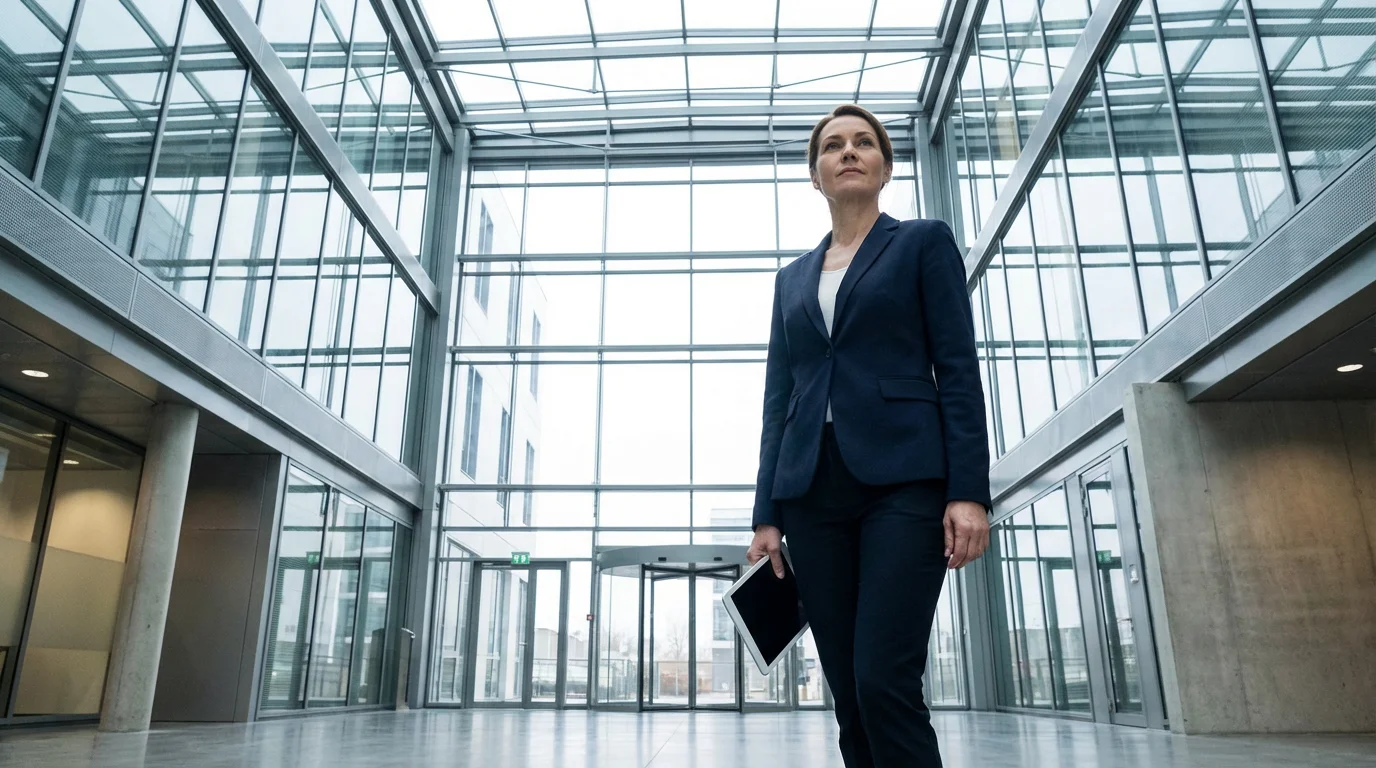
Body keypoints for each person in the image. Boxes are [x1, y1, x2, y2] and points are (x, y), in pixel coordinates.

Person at [746, 104, 991, 768]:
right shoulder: (791, 279)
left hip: (904, 483)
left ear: (884, 164)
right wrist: (766, 512)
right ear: (816, 173)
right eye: (833, 146)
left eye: (863, 142)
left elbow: (959, 370)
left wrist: (970, 491)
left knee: (885, 679)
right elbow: (780, 400)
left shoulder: (920, 243)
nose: (848, 151)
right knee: (849, 693)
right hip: (811, 492)